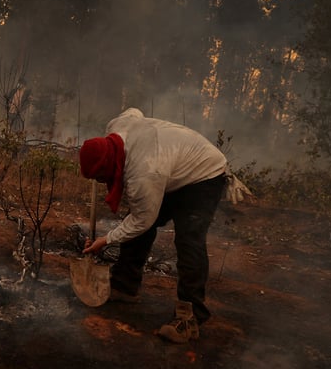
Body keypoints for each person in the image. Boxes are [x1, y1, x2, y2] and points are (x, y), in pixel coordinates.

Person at [79, 107, 228, 343]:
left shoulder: (144, 173)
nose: (99, 181)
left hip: (203, 174)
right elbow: (134, 111)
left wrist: (105, 240)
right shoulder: (115, 127)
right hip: (171, 167)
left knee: (188, 241)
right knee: (139, 218)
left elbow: (142, 221)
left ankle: (190, 318)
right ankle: (124, 286)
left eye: (100, 176)